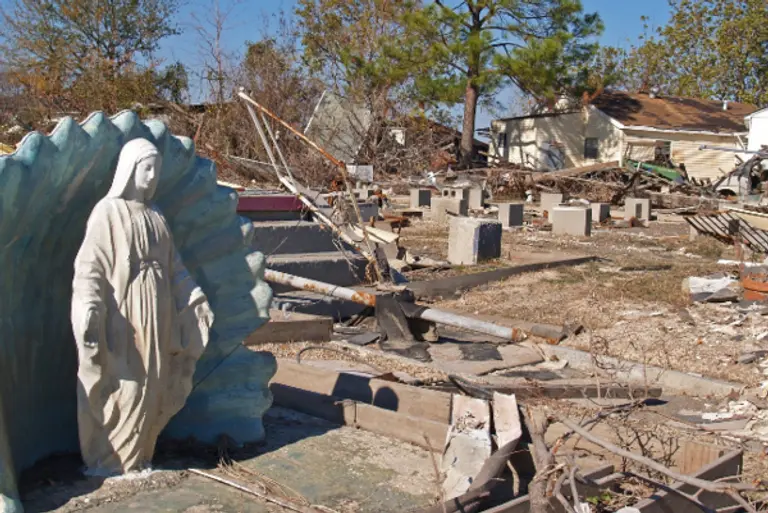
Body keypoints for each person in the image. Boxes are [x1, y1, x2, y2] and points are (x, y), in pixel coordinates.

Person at [71, 138, 214, 474]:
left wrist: (194, 297)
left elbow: (175, 267)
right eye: (145, 168)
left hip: (159, 311)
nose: (151, 176)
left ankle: (140, 456)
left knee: (155, 382)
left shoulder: (156, 215)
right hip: (125, 315)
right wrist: (90, 303)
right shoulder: (107, 212)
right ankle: (110, 459)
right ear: (129, 169)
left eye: (156, 169)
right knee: (127, 383)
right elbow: (90, 265)